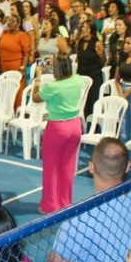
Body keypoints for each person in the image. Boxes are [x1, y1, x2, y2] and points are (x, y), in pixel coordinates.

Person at [32, 57, 83, 214]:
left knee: (51, 168)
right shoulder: (78, 80)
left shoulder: (52, 86)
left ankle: (50, 206)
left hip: (58, 128)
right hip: (75, 126)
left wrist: (38, 78)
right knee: (68, 167)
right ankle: (65, 202)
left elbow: (35, 98)